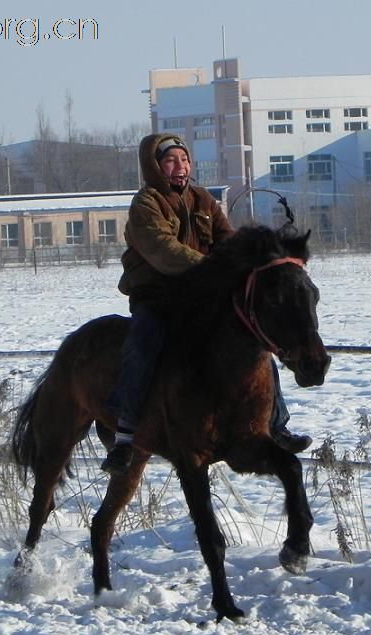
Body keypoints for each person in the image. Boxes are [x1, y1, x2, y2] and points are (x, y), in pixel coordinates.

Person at [102, 132, 311, 474]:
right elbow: (161, 248)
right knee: (142, 345)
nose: (179, 167)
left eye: (184, 160)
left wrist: (246, 256)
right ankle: (125, 435)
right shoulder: (146, 204)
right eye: (170, 160)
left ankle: (276, 424)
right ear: (155, 167)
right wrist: (211, 266)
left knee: (254, 339)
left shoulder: (204, 200)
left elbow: (227, 239)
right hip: (157, 296)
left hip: (198, 297)